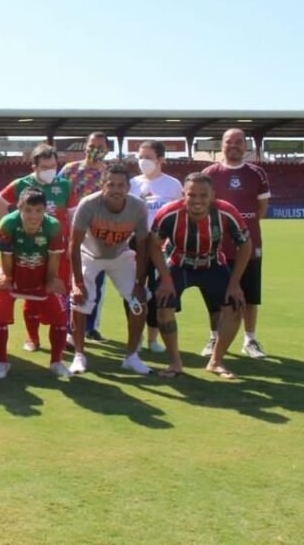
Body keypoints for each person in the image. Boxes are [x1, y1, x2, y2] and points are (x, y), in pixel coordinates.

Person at [148, 173, 251, 378]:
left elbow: (245, 245)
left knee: (234, 306)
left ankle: (216, 361)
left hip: (212, 263)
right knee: (163, 306)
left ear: (212, 195)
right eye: (191, 195)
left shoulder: (227, 212)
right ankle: (175, 363)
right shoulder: (168, 213)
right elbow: (154, 245)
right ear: (183, 195)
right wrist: (166, 279)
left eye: (203, 195)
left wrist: (234, 283)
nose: (197, 201)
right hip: (178, 263)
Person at [68, 164, 152, 375]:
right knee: (81, 300)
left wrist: (139, 284)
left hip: (119, 255)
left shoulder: (138, 207)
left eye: (121, 185)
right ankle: (79, 355)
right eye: (111, 184)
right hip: (90, 254)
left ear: (128, 187)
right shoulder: (88, 204)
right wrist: (78, 283)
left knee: (139, 301)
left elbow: (142, 248)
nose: (116, 189)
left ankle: (132, 357)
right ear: (103, 185)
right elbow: (74, 245)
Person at [0, 143, 77, 351]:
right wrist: (11, 233)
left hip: (56, 249)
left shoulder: (65, 185)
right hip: (26, 250)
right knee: (30, 292)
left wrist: (72, 244)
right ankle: (32, 338)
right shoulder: (21, 184)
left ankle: (63, 333)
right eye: (45, 167)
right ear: (34, 167)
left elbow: (73, 215)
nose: (50, 171)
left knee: (58, 291)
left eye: (53, 166)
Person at [202, 128, 271, 359]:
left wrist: (244, 227)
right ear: (221, 145)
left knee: (250, 295)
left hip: (249, 245)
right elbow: (201, 207)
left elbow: (260, 209)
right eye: (229, 141)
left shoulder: (257, 174)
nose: (234, 145)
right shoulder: (210, 173)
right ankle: (214, 338)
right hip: (217, 246)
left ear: (246, 146)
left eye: (239, 142)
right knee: (214, 296)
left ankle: (249, 340)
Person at [0, 188, 72, 379]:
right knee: (0, 307)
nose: (33, 216)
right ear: (19, 208)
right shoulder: (7, 224)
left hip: (42, 273)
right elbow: (6, 257)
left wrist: (51, 281)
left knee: (60, 315)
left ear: (45, 210)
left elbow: (54, 259)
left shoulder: (53, 226)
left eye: (38, 211)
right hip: (12, 271)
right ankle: (1, 361)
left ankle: (56, 362)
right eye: (28, 210)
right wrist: (8, 279)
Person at [129, 140, 182, 353]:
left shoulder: (173, 185)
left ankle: (153, 339)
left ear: (160, 160)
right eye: (140, 157)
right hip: (136, 245)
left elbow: (179, 215)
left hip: (162, 246)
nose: (143, 161)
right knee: (135, 291)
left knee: (157, 292)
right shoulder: (131, 183)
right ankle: (137, 336)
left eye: (148, 157)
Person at [59, 131, 112, 341]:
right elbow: (57, 195)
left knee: (97, 283)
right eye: (92, 145)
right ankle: (66, 325)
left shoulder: (111, 174)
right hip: (72, 234)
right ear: (85, 147)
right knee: (70, 280)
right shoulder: (69, 170)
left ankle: (90, 327)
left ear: (107, 150)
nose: (95, 150)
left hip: (99, 237)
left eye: (100, 146)